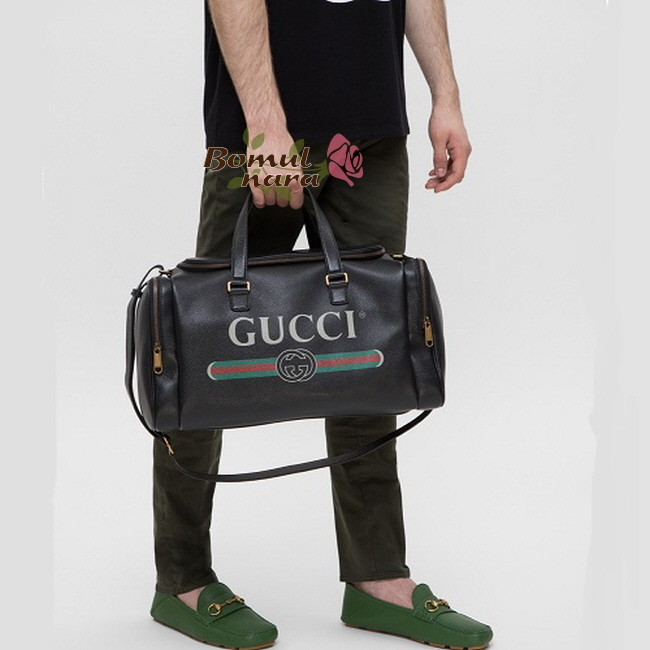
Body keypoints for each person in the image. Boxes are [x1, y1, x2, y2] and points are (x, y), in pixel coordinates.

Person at [149, 1, 493, 648]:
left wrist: (445, 96)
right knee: (204, 350)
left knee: (369, 353)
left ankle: (377, 578)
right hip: (263, 138)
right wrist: (264, 122)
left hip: (373, 131)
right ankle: (183, 580)